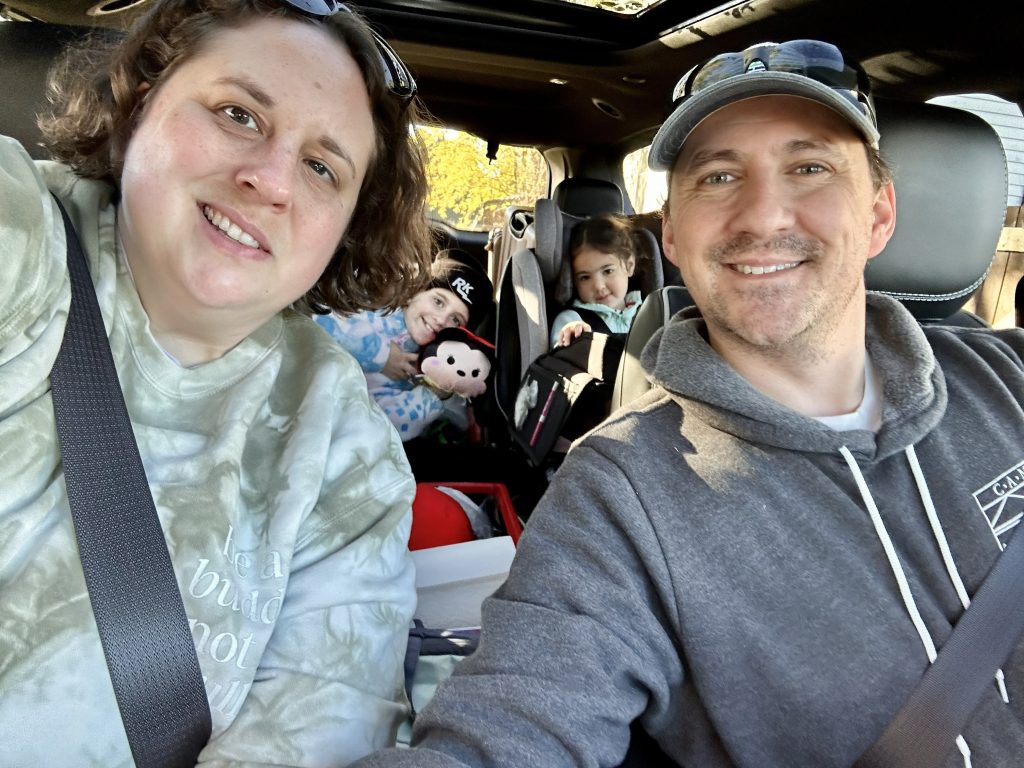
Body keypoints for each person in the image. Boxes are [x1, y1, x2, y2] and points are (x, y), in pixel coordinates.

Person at [353, 39, 1024, 768]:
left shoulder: (1010, 377)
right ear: (671, 233)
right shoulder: (617, 495)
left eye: (810, 167)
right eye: (718, 175)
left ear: (880, 214)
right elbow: (506, 730)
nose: (764, 214)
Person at [1, 0, 435, 765]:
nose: (269, 180)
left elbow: (324, 714)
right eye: (238, 113)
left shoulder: (340, 442)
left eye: (321, 167)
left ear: (342, 233)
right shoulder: (21, 237)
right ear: (137, 105)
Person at [315, 252, 494, 441]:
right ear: (413, 293)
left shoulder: (415, 369)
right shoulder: (371, 300)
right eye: (438, 301)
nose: (441, 320)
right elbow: (318, 316)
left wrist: (433, 395)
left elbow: (384, 427)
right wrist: (381, 356)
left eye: (456, 320)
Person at [549, 213, 644, 348]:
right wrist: (571, 334)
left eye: (608, 271)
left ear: (629, 266)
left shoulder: (650, 311)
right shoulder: (572, 319)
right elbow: (560, 356)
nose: (599, 286)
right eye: (585, 277)